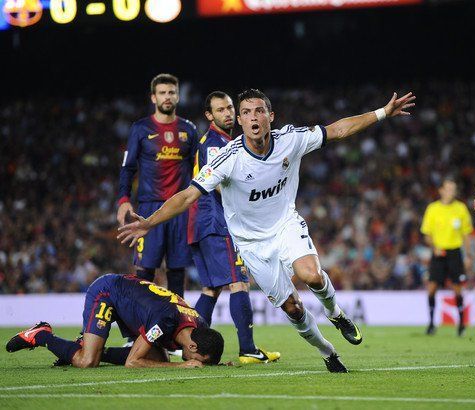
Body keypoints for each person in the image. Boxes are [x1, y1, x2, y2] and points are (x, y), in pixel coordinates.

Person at [118, 88, 416, 372]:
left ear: (270, 117)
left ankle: (335, 313)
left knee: (311, 274)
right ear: (240, 121)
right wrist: (149, 221)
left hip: (285, 225)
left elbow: (337, 130)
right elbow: (188, 195)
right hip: (251, 245)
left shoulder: (291, 139)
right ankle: (328, 352)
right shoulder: (227, 157)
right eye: (246, 112)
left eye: (259, 111)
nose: (253, 117)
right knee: (294, 309)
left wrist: (382, 112)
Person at [188, 91, 280, 364]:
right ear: (209, 115)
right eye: (220, 110)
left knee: (210, 289)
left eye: (230, 108)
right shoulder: (215, 143)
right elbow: (217, 183)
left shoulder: (224, 141)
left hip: (200, 223)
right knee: (239, 282)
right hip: (217, 221)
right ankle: (248, 349)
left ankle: (187, 346)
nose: (227, 113)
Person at [6, 274, 224, 368]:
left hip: (131, 296)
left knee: (159, 356)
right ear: (193, 345)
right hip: (107, 292)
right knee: (87, 362)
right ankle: (41, 335)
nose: (198, 364)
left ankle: (81, 347)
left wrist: (217, 364)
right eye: (200, 360)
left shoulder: (200, 325)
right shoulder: (164, 321)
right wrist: (182, 366)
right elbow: (132, 362)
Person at [117, 73, 198, 297]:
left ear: (178, 96)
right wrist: (124, 200)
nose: (167, 97)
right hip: (149, 209)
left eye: (171, 92)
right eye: (162, 93)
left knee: (177, 272)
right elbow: (128, 168)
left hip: (179, 210)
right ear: (153, 98)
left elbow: (199, 172)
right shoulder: (140, 129)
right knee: (145, 272)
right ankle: (140, 326)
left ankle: (177, 327)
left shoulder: (189, 130)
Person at [420, 178, 473, 336]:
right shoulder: (433, 208)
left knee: (457, 289)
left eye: (453, 189)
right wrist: (434, 246)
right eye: (448, 189)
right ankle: (430, 324)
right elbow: (427, 234)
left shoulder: (461, 208)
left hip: (455, 253)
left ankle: (461, 325)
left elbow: (466, 235)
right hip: (439, 252)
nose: (451, 192)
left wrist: (468, 256)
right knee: (432, 288)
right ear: (441, 190)